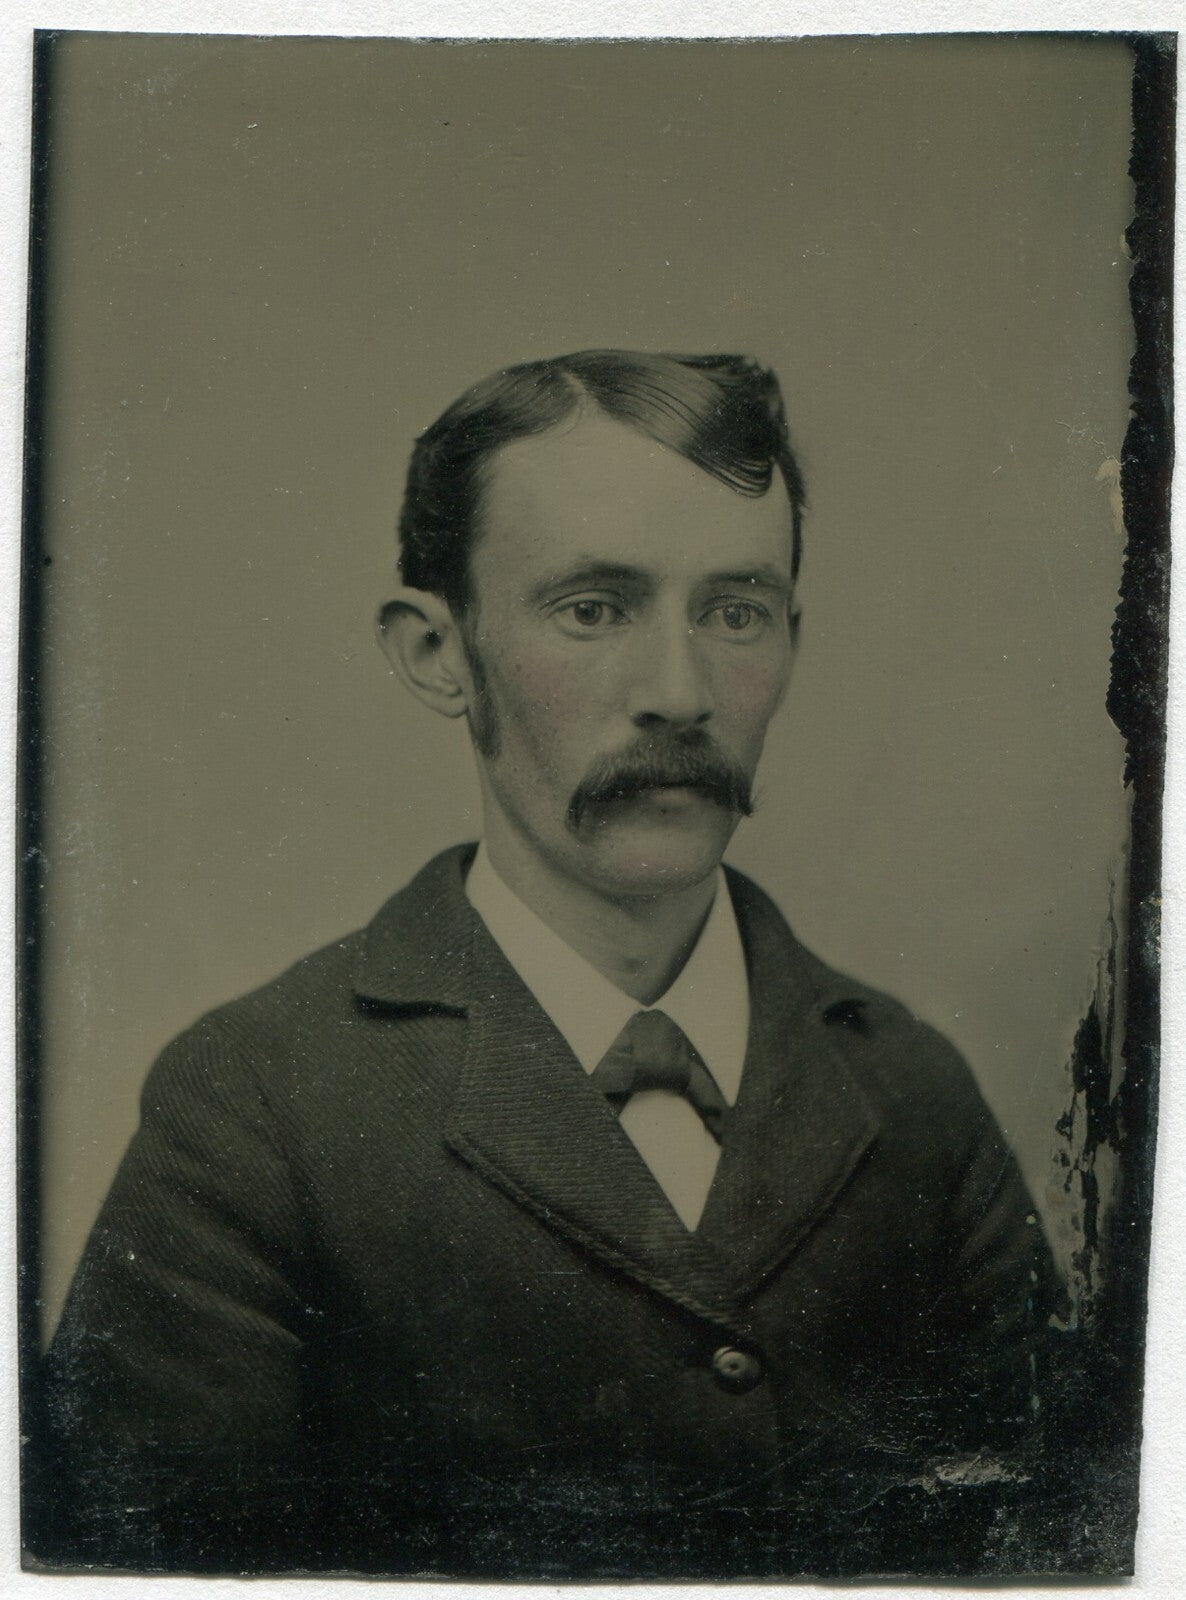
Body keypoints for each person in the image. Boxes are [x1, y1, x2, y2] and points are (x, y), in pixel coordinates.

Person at [39, 350, 1057, 1579]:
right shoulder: (254, 1107)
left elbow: (1047, 1553)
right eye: (593, 609)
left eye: (735, 610)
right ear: (437, 652)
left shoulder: (911, 1092)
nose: (679, 692)